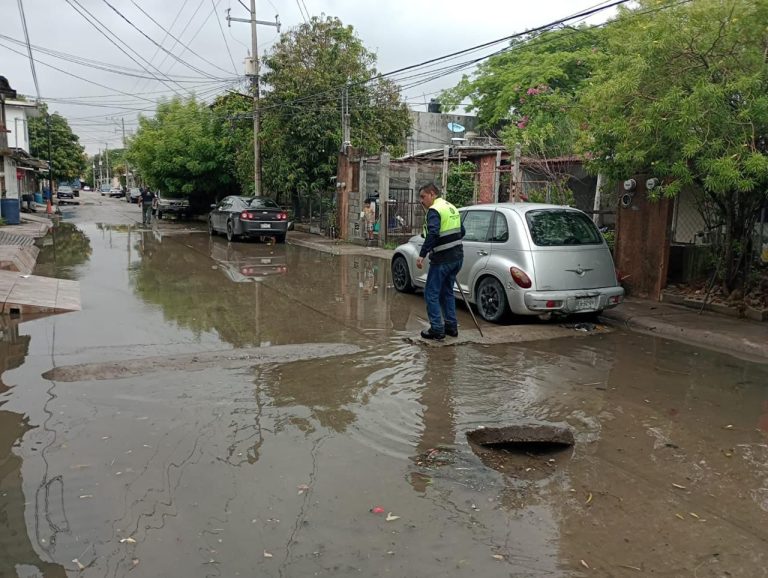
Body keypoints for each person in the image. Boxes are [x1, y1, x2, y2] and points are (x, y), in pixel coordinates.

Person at [416, 183, 465, 340]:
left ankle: (437, 329)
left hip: (443, 259)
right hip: (457, 257)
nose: (421, 201)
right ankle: (451, 327)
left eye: (423, 197)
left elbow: (433, 233)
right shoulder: (450, 207)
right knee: (447, 292)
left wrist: (422, 254)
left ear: (432, 194)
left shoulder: (434, 210)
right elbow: (461, 231)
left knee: (431, 293)